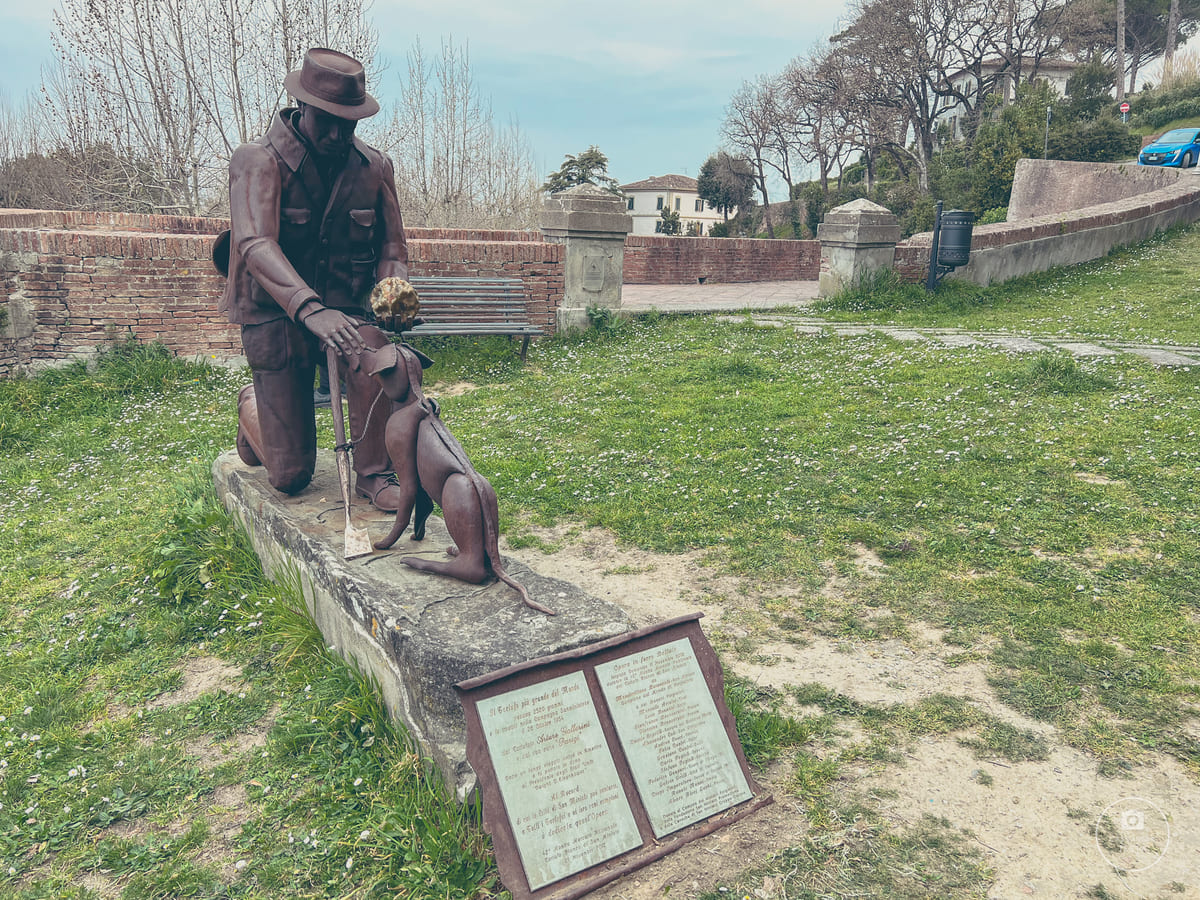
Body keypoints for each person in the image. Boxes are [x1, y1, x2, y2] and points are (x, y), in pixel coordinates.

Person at [219, 47, 408, 511]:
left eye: (350, 122)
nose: (339, 133)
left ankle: (373, 472)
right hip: (274, 316)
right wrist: (310, 308)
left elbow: (392, 247)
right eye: (328, 120)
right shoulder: (256, 161)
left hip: (344, 311)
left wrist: (392, 293)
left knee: (377, 360)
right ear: (302, 107)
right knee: (290, 476)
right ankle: (254, 408)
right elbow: (256, 244)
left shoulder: (374, 168)